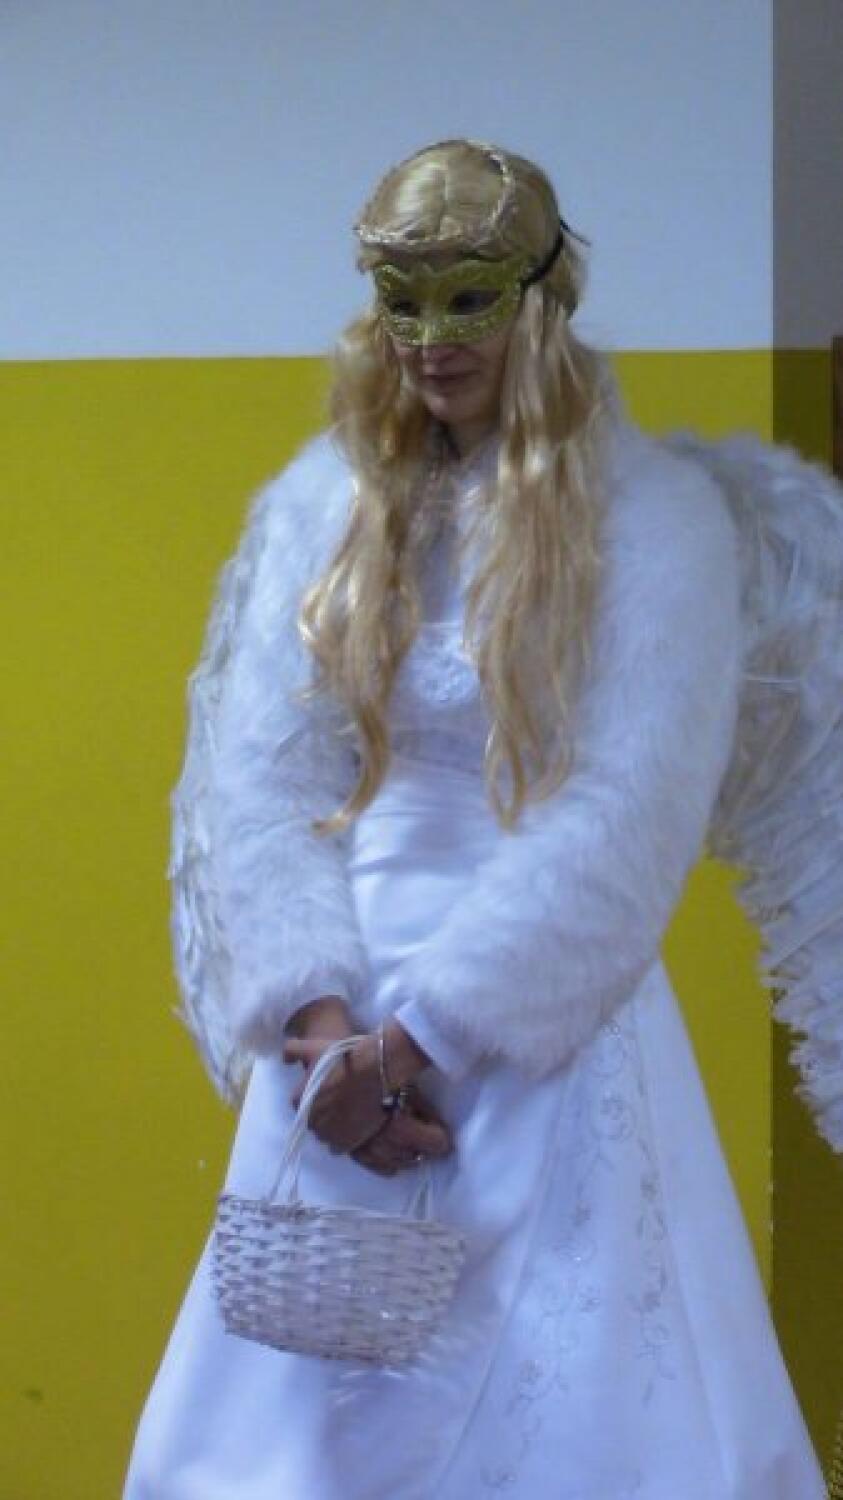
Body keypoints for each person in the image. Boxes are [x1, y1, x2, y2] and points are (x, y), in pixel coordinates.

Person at [124, 138, 830, 1498]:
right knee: (302, 1402)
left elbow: (629, 810)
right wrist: (320, 1023)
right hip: (333, 1036)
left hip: (542, 1023)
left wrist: (426, 1044)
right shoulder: (321, 505)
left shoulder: (654, 520)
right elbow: (262, 778)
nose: (433, 339)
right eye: (404, 302)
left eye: (471, 298)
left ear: (543, 300)